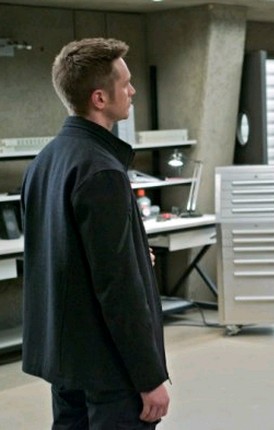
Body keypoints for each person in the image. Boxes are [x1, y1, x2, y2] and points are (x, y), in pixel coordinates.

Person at [21, 38, 170, 429]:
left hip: (68, 361)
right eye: (126, 83)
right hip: (110, 369)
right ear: (100, 98)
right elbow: (117, 287)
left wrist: (135, 256)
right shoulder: (102, 171)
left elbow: (64, 257)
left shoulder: (44, 162)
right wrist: (149, 377)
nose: (133, 91)